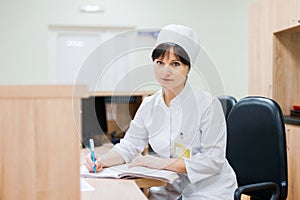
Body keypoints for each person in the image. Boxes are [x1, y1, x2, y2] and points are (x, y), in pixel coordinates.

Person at [85, 24, 237, 199]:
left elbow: (213, 161)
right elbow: (129, 146)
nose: (165, 71)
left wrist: (164, 163)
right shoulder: (149, 105)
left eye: (175, 64)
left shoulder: (208, 105)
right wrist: (101, 161)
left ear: (188, 68)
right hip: (169, 188)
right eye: (160, 62)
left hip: (209, 190)